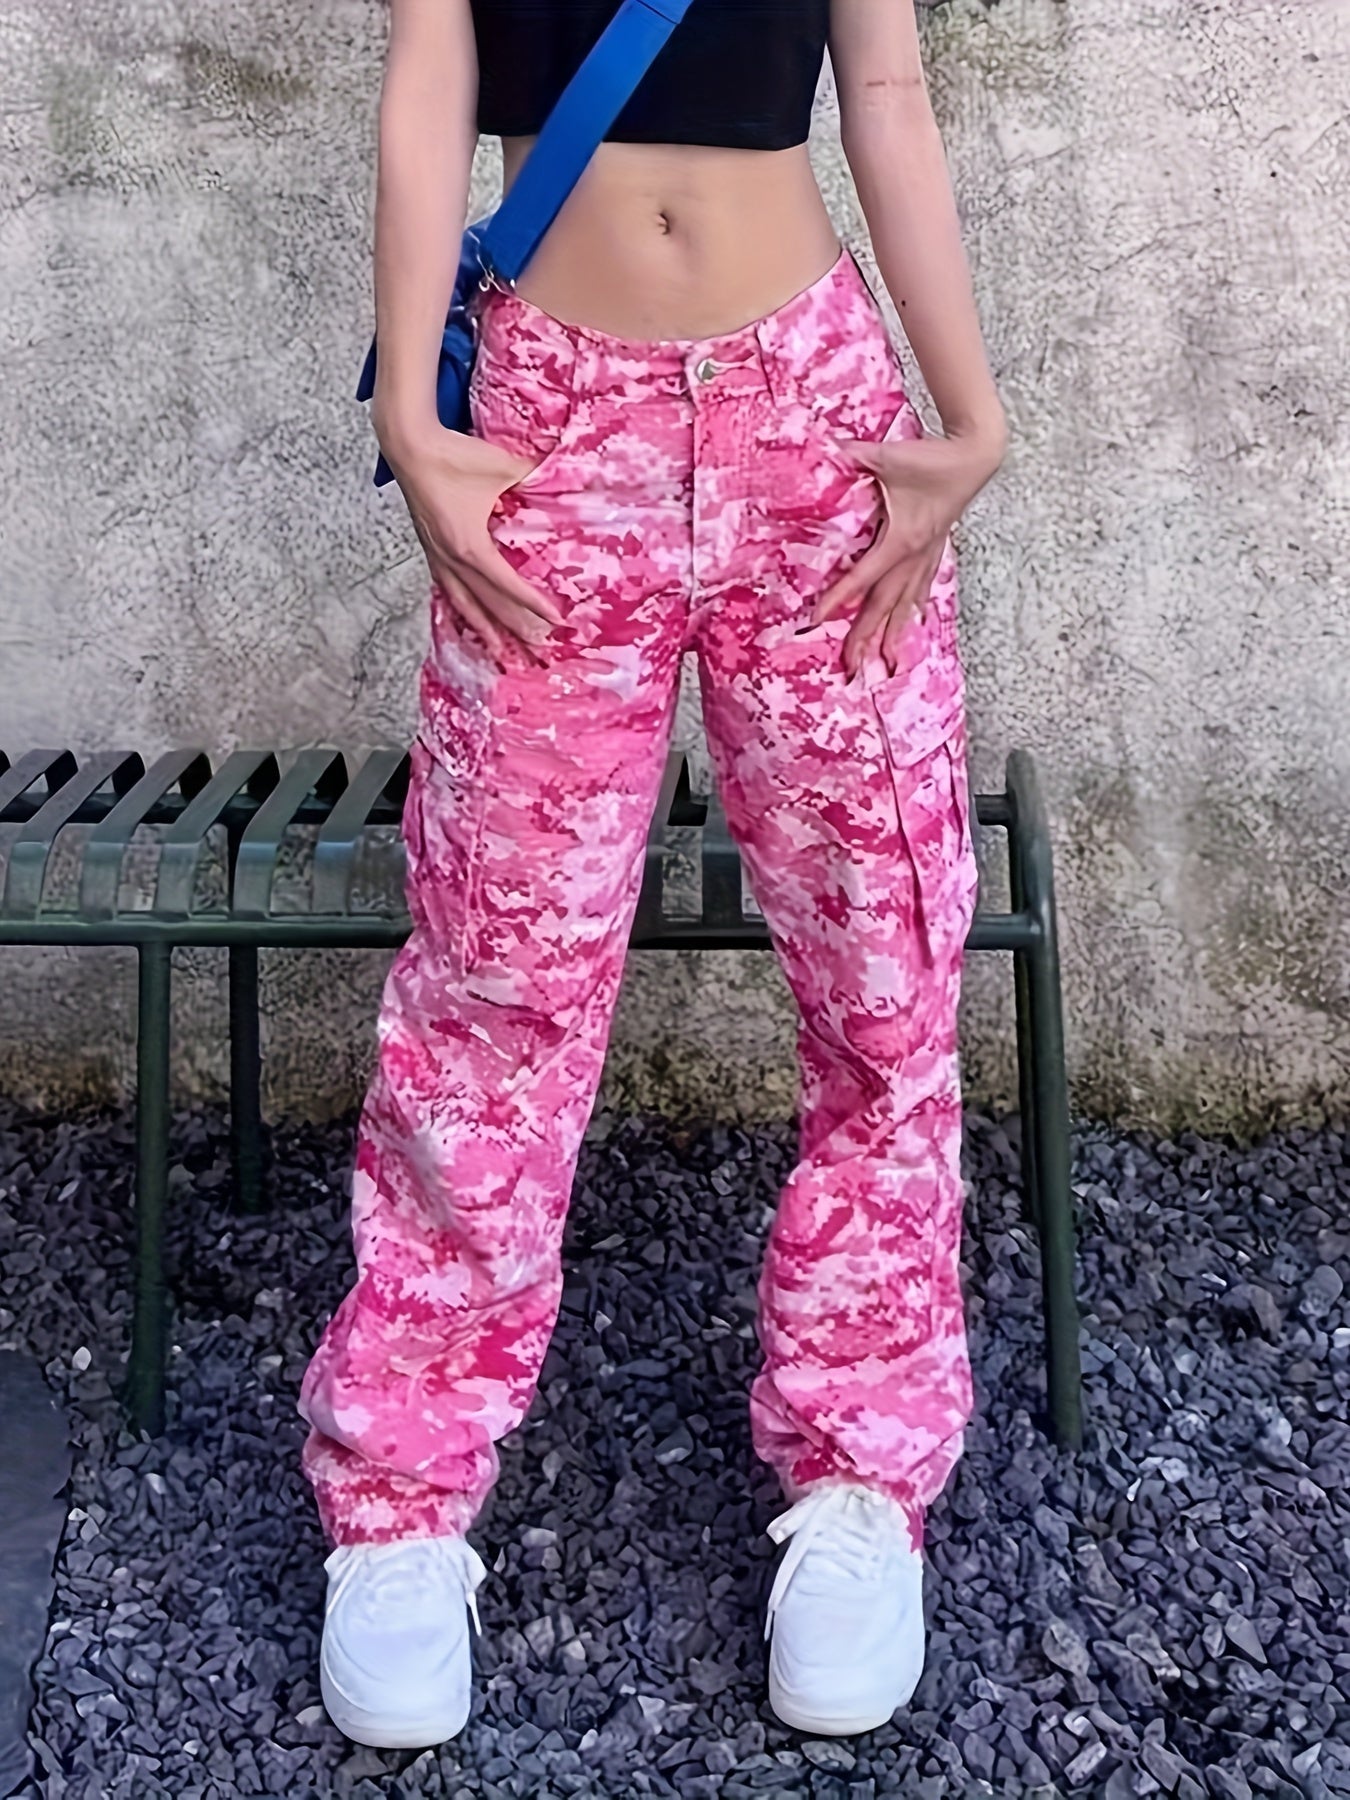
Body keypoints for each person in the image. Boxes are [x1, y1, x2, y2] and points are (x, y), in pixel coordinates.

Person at [298, 0, 1007, 1751]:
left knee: (881, 970)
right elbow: (430, 68)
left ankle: (861, 1473)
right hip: (548, 428)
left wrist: (972, 411)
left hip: (812, 425)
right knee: (495, 984)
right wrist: (406, 405)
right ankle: (398, 1498)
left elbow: (886, 84)